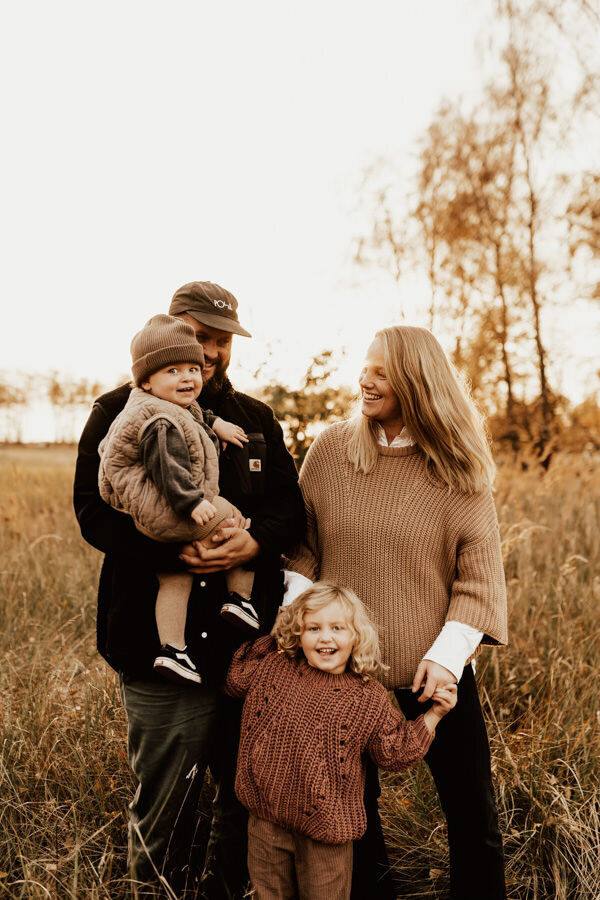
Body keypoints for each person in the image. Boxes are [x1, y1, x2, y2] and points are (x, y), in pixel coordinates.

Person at [73, 281, 306, 898]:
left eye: (219, 339)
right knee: (165, 806)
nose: (208, 352)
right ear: (168, 331)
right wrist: (176, 550)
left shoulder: (254, 419)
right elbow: (92, 514)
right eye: (196, 337)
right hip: (157, 650)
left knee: (243, 803)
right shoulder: (117, 411)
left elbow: (290, 509)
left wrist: (252, 547)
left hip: (246, 650)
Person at [286, 325, 508, 900]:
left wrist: (447, 657)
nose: (365, 378)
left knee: (471, 813)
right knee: (353, 814)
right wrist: (299, 630)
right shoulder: (332, 450)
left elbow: (479, 580)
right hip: (340, 666)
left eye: (381, 371)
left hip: (432, 664)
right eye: (365, 366)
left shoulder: (460, 469)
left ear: (416, 380)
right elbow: (304, 550)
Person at [224, 583, 457, 900]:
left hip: (327, 829)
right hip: (266, 819)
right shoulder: (274, 667)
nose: (325, 637)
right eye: (313, 628)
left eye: (337, 628)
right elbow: (235, 680)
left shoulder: (366, 695)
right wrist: (274, 638)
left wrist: (435, 715)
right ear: (298, 634)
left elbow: (392, 753)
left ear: (356, 637)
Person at [98, 313, 262, 684]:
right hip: (173, 508)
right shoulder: (159, 420)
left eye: (191, 369)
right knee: (233, 518)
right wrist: (191, 503)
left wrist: (213, 422)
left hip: (153, 517)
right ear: (145, 380)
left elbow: (192, 413)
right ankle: (240, 599)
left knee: (174, 578)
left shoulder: (158, 405)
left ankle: (173, 650)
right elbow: (166, 466)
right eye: (173, 371)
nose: (188, 376)